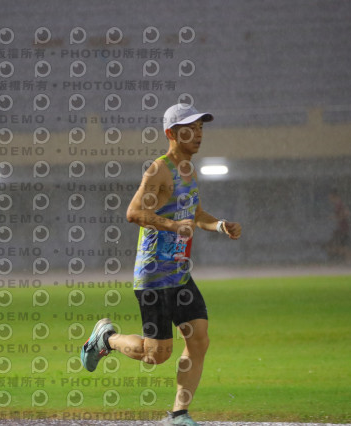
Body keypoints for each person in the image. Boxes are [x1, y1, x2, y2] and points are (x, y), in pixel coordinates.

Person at [81, 103, 242, 426]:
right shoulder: (159, 170)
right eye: (190, 129)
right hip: (154, 275)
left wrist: (219, 225)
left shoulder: (188, 170)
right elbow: (133, 213)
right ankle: (106, 339)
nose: (198, 134)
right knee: (156, 355)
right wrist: (172, 226)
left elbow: (195, 214)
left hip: (179, 274)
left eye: (200, 128)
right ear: (171, 133)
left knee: (199, 339)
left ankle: (178, 415)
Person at [325, 190, 351, 264]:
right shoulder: (338, 205)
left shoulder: (340, 204)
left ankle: (350, 258)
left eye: (330, 197)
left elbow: (347, 213)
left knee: (339, 246)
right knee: (341, 245)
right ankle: (349, 259)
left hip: (343, 229)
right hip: (341, 228)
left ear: (334, 196)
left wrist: (336, 217)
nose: (329, 199)